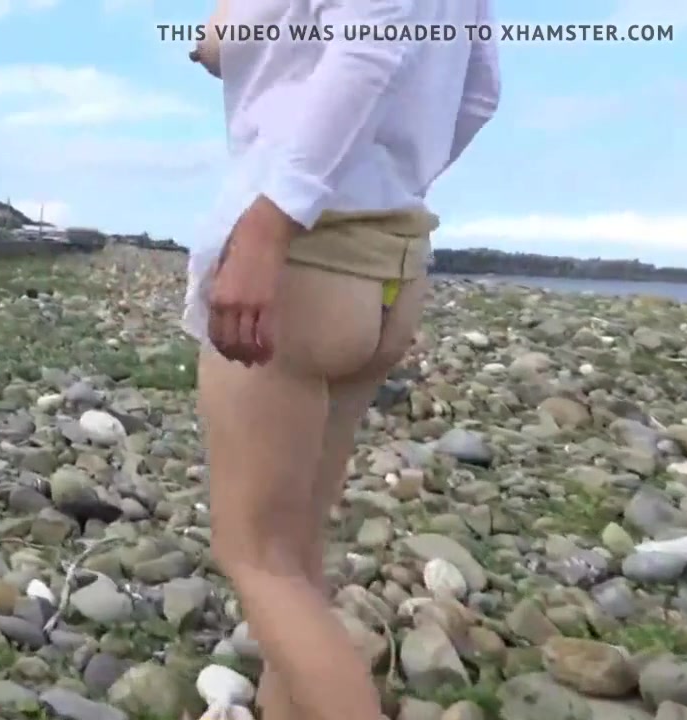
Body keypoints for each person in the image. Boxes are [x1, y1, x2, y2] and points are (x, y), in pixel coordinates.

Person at [184, 1, 500, 719]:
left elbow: (364, 50)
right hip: (391, 260)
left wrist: (270, 225)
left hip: (304, 256)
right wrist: (390, 179)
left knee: (258, 556)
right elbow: (479, 93)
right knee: (294, 556)